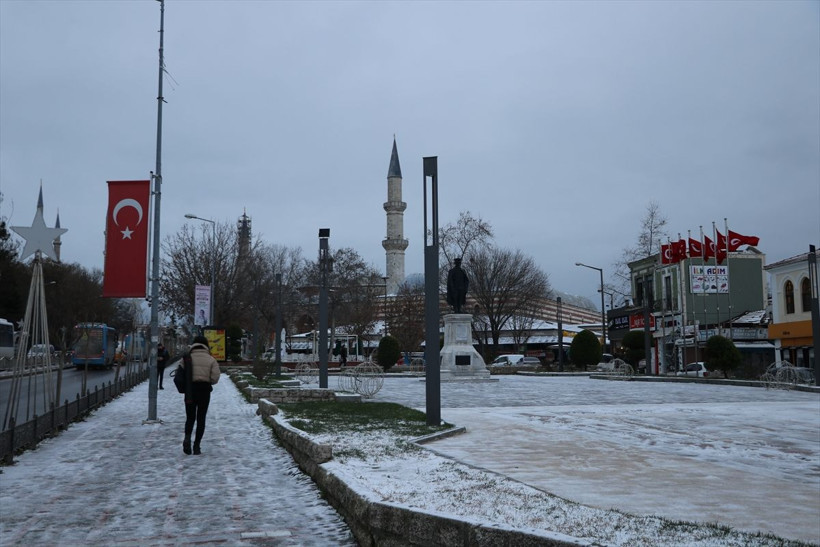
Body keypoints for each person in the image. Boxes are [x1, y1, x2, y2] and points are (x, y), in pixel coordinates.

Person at [182, 335, 220, 455]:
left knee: (190, 417)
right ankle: (197, 446)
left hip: (190, 391)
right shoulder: (211, 359)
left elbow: (180, 374)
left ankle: (187, 438)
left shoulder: (187, 358)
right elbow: (215, 378)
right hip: (204, 391)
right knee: (201, 418)